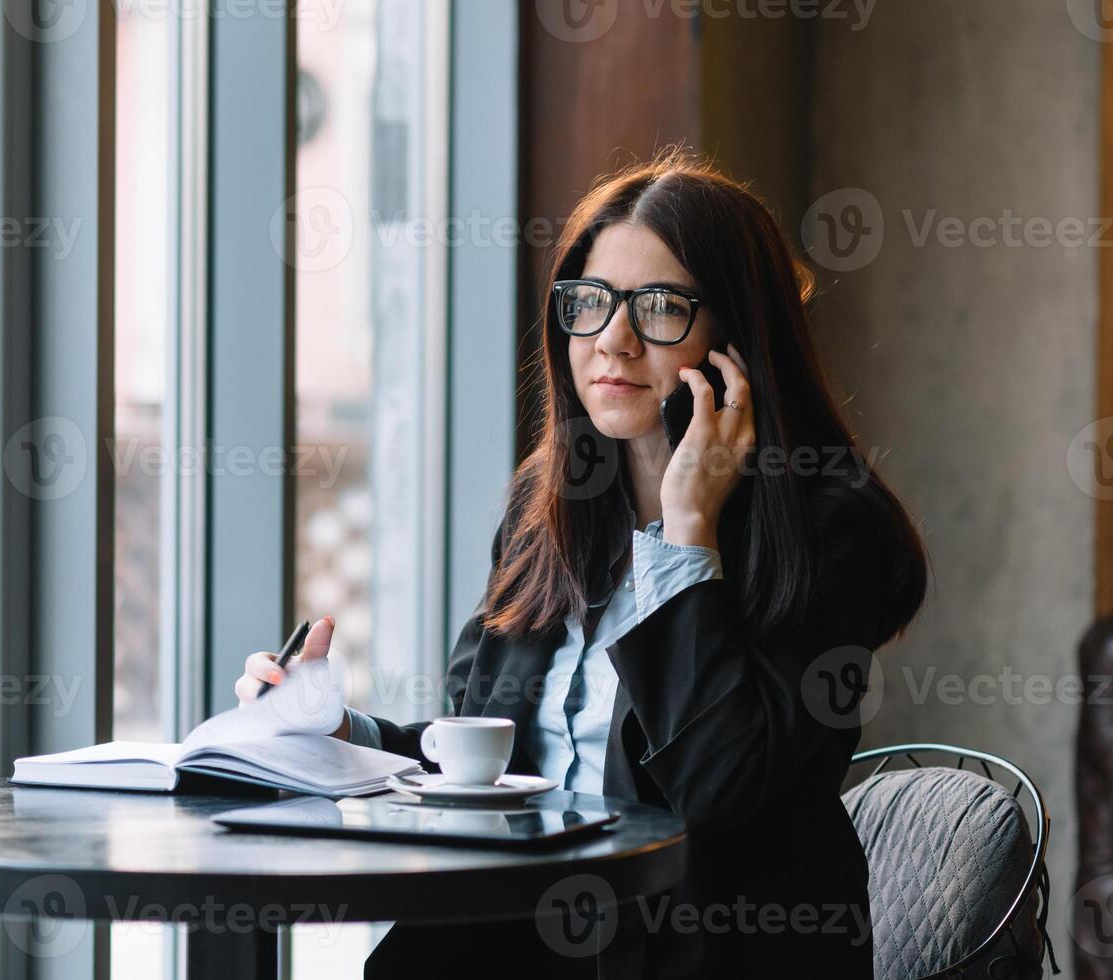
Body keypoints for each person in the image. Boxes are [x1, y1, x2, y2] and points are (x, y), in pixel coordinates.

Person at [234, 149, 928, 978]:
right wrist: (340, 731)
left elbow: (722, 788)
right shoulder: (552, 505)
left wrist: (687, 532)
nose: (613, 341)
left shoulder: (833, 532)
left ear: (739, 335)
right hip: (521, 938)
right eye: (590, 303)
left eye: (662, 306)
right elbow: (497, 762)